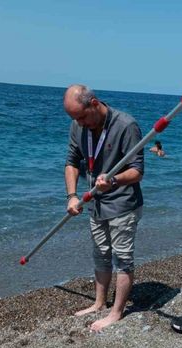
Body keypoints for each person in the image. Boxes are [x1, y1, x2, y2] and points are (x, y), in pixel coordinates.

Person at [63, 84, 144, 332]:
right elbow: (71, 162)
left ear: (94, 103)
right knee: (100, 254)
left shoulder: (126, 125)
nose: (79, 122)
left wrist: (114, 180)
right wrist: (72, 195)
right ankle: (99, 303)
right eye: (75, 118)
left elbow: (138, 171)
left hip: (123, 203)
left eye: (82, 116)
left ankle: (116, 312)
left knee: (122, 258)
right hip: (95, 204)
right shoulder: (79, 125)